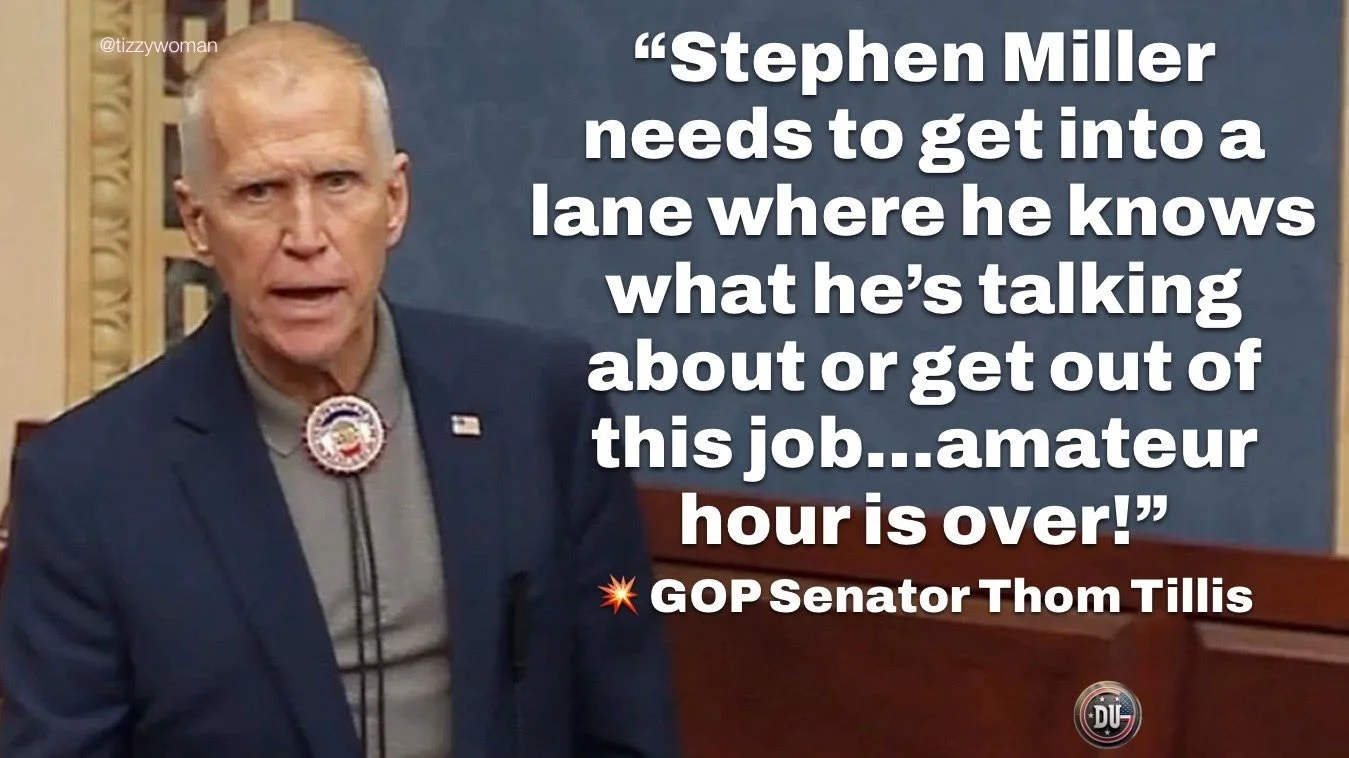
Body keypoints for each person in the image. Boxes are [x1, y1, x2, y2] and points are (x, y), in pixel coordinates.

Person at [0, 20, 680, 758]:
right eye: (259, 191)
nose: (305, 233)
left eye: (337, 183)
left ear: (393, 201)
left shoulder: (541, 405)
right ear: (198, 221)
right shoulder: (85, 484)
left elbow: (625, 716)